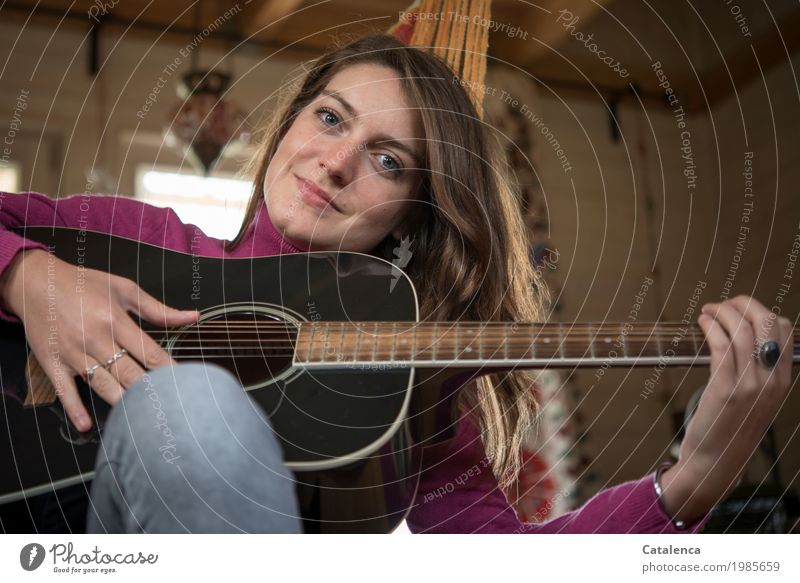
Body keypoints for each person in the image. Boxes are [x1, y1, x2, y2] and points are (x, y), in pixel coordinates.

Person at [0, 34, 793, 533]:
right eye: (331, 118)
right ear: (290, 125)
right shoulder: (128, 240)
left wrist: (690, 479)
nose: (337, 162)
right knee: (196, 400)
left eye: (388, 160)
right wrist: (26, 275)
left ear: (410, 218)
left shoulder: (408, 389)